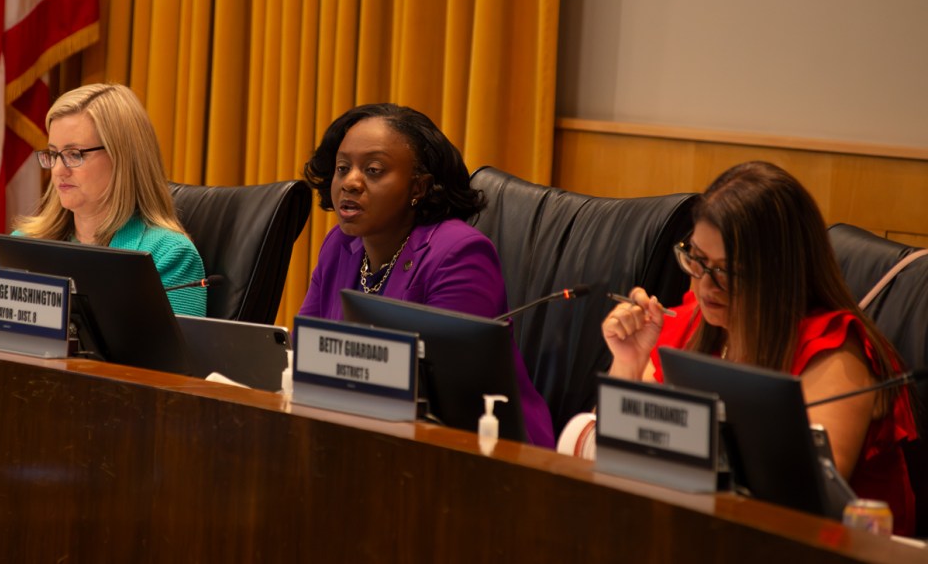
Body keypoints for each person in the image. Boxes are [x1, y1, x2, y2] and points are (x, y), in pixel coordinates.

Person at [601, 161, 918, 534]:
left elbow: (803, 504)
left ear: (779, 273)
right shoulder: (693, 321)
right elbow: (617, 452)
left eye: (726, 270)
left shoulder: (834, 351)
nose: (705, 285)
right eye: (697, 259)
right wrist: (629, 362)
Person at [300, 103, 554, 448]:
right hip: (368, 431)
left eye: (373, 170)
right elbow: (306, 350)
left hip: (485, 447)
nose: (350, 182)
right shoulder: (340, 246)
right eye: (343, 168)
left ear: (418, 188)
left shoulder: (459, 253)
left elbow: (450, 391)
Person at [12, 83, 206, 317]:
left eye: (74, 154)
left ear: (122, 157)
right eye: (53, 154)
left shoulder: (169, 255)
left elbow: (170, 343)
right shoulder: (24, 244)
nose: (58, 170)